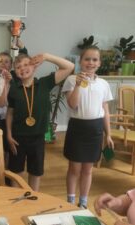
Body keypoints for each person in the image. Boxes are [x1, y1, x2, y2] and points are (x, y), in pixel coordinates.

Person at [6, 53, 74, 191]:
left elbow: (70, 67)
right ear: (15, 71)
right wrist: (8, 134)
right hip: (17, 137)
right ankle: (14, 196)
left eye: (26, 64)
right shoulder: (13, 88)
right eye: (18, 67)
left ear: (34, 66)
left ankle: (34, 197)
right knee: (16, 170)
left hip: (38, 137)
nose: (22, 68)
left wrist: (47, 57)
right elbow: (10, 113)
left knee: (36, 171)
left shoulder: (44, 83)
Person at [62, 46, 114, 208]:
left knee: (88, 169)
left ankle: (83, 202)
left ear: (99, 63)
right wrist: (78, 85)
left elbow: (105, 109)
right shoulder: (71, 80)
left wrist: (109, 134)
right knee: (74, 168)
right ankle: (70, 201)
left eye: (94, 59)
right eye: (87, 59)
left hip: (95, 129)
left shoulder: (103, 83)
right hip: (78, 128)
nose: (90, 63)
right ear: (80, 61)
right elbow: (72, 104)